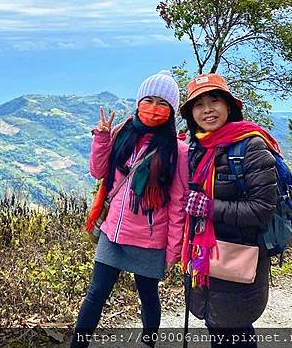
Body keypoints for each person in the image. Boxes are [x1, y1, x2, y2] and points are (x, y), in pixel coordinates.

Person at [71, 70, 189, 348]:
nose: (154, 108)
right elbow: (98, 171)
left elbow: (178, 203)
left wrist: (174, 249)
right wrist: (101, 138)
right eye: (148, 100)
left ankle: (148, 344)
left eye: (162, 103)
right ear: (138, 102)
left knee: (148, 296)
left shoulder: (177, 151)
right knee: (96, 294)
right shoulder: (123, 133)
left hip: (149, 241)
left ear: (171, 110)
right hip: (112, 233)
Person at [178, 73, 280, 348]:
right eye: (199, 105)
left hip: (237, 258)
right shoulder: (200, 147)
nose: (207, 109)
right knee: (217, 328)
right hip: (205, 256)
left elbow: (261, 210)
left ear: (229, 106)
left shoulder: (251, 146)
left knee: (234, 334)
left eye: (214, 101)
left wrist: (209, 207)